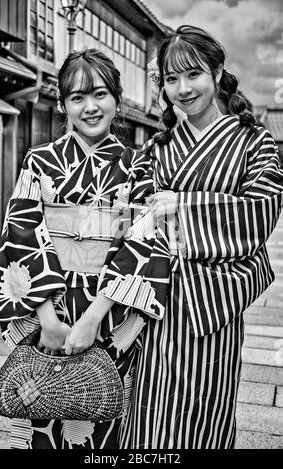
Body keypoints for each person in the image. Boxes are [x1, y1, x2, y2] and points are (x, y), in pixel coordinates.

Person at [90, 25, 283, 449]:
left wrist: (182, 205)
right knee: (150, 411)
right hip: (154, 302)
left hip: (213, 307)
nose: (182, 88)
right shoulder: (157, 148)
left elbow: (263, 207)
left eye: (193, 74)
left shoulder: (254, 142)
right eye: (171, 78)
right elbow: (133, 221)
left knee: (206, 409)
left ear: (217, 72)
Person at [0, 48, 168, 449]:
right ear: (62, 104)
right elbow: (20, 233)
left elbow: (145, 238)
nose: (90, 107)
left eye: (100, 94)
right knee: (41, 408)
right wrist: (47, 319)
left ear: (117, 100)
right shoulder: (39, 160)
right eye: (77, 97)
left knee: (103, 414)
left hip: (109, 308)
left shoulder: (139, 165)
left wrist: (94, 317)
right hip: (48, 307)